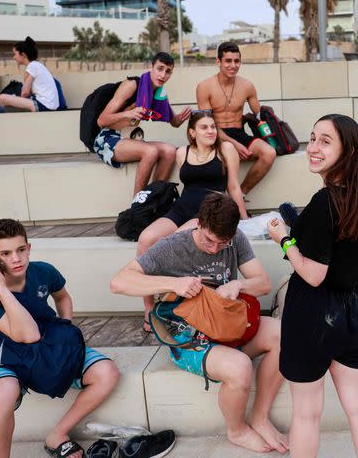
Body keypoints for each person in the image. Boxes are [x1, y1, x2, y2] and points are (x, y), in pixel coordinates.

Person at [110, 193, 288, 454]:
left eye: (222, 243)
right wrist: (172, 283)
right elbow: (119, 282)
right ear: (199, 224)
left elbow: (262, 283)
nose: (215, 248)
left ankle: (260, 417)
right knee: (240, 368)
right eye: (209, 240)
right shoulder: (173, 246)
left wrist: (239, 284)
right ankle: (236, 430)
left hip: (227, 325)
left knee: (284, 334)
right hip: (191, 339)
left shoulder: (235, 238)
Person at [266, 114, 358, 458]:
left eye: (325, 141)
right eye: (313, 138)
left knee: (305, 413)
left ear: (347, 150)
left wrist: (285, 241)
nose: (313, 148)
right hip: (356, 310)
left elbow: (314, 274)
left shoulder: (324, 202)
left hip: (316, 314)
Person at [0, 219, 120, 458]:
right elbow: (27, 334)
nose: (16, 259)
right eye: (6, 253)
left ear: (29, 247)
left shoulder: (44, 271)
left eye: (20, 250)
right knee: (1, 394)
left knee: (106, 372)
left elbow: (63, 297)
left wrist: (66, 329)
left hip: (46, 343)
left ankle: (58, 434)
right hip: (7, 352)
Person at [136, 110, 248, 332]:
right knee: (145, 239)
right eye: (204, 127)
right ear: (192, 132)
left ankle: (171, 298)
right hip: (181, 208)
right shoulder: (181, 153)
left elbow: (234, 186)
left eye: (213, 127)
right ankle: (149, 308)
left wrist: (243, 219)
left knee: (177, 240)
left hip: (207, 213)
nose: (211, 131)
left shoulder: (225, 149)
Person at [93, 52, 192, 195]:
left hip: (129, 139)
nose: (163, 75)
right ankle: (137, 207)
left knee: (170, 151)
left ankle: (152, 199)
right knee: (150, 151)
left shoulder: (159, 93)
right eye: (160, 68)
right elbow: (102, 120)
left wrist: (182, 117)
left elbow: (174, 122)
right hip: (107, 138)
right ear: (151, 67)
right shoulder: (131, 85)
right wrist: (128, 113)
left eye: (168, 71)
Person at [196, 42, 276, 196]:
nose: (233, 65)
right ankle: (222, 201)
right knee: (226, 152)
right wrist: (235, 145)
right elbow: (207, 125)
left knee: (269, 153)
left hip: (239, 133)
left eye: (236, 61)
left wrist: (274, 131)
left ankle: (240, 194)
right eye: (228, 61)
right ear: (218, 62)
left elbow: (261, 115)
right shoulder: (204, 87)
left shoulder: (247, 86)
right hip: (214, 136)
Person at [0, 37, 59, 112]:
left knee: (2, 98)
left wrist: (17, 99)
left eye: (15, 54)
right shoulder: (37, 65)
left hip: (44, 105)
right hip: (48, 105)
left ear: (23, 55)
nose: (14, 57)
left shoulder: (32, 66)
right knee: (5, 105)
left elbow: (25, 93)